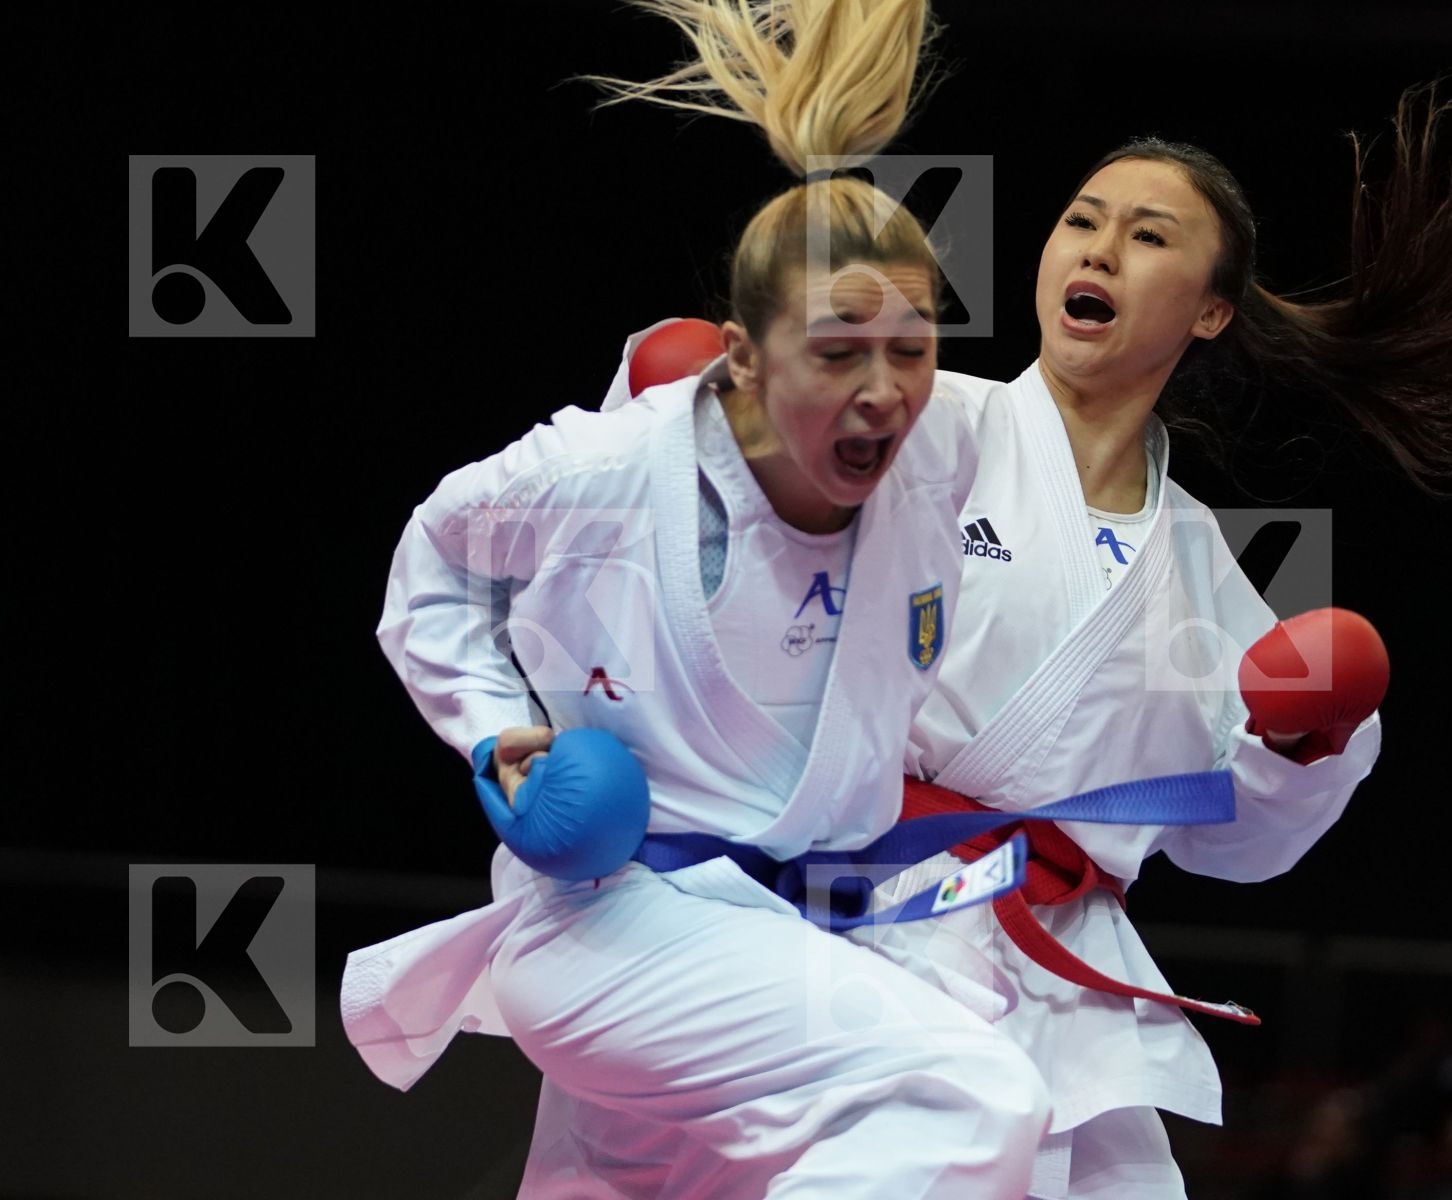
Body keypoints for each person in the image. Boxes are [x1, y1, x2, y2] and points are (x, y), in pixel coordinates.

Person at [528, 68, 1452, 1200]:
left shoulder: (1197, 573)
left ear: (1210, 309)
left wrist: (1302, 746)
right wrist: (693, 429)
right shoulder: (924, 423)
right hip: (836, 918)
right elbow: (711, 570)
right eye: (1081, 220)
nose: (1096, 248)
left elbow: (1238, 844)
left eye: (1146, 236)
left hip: (1057, 979)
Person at [337, 0, 1059, 1195]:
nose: (885, 390)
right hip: (613, 924)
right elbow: (435, 564)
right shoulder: (607, 473)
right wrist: (489, 728)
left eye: (915, 347)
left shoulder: (945, 450)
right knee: (970, 1097)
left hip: (798, 932)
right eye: (837, 352)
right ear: (740, 354)